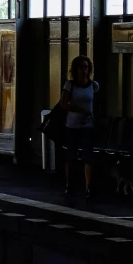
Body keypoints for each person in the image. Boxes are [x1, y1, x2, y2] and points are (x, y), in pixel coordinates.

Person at [59, 52, 97, 197]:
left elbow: (96, 104)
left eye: (86, 67)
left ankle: (88, 186)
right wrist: (80, 110)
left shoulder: (93, 86)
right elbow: (63, 104)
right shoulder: (70, 85)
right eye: (80, 67)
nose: (83, 70)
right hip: (72, 125)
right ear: (75, 69)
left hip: (88, 125)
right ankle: (69, 184)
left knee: (88, 156)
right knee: (71, 156)